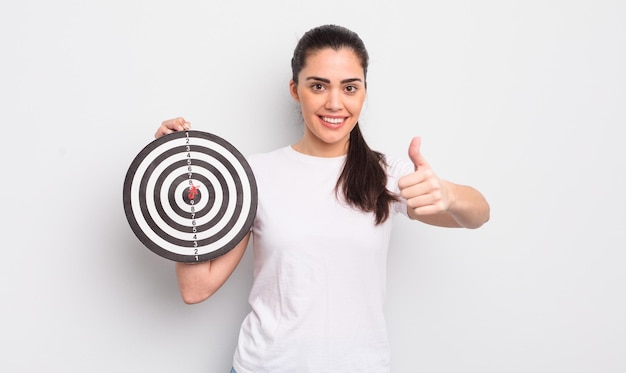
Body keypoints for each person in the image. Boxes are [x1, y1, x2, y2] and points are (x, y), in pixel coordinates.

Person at [154, 24, 489, 373]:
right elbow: (196, 288)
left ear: (363, 92)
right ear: (295, 90)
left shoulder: (386, 173)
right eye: (318, 86)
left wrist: (448, 195)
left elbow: (478, 214)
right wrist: (178, 174)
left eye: (349, 87)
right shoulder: (254, 174)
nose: (334, 103)